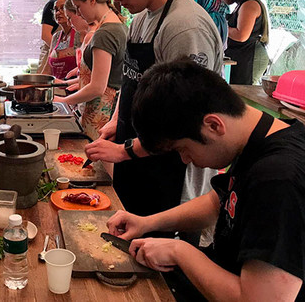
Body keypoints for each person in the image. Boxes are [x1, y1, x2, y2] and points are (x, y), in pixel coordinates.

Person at [107, 60, 305, 301]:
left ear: (213, 125)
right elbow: (219, 202)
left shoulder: (278, 179)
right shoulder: (258, 137)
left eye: (183, 149)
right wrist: (147, 223)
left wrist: (179, 251)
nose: (184, 159)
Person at [85, 0, 224, 221]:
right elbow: (130, 78)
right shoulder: (141, 19)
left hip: (173, 167)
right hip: (138, 156)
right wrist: (116, 122)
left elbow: (184, 118)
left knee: (162, 255)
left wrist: (125, 151)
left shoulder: (184, 26)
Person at [54, 0, 127, 152]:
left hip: (101, 111)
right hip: (107, 109)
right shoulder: (119, 26)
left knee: (95, 164)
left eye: (79, 7)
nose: (78, 14)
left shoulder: (105, 33)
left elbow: (97, 87)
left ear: (92, 0)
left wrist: (63, 101)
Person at [220, 0, 270, 84]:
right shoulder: (242, 4)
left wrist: (222, 27)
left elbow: (241, 35)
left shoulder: (249, 4)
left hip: (250, 56)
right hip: (243, 54)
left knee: (245, 92)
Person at [57, 0, 95, 93]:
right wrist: (63, 83)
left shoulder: (93, 36)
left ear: (79, 13)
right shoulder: (87, 35)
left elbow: (98, 82)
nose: (69, 23)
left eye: (69, 18)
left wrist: (63, 99)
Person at [39, 0, 81, 79]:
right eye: (56, 10)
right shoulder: (55, 37)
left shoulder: (79, 34)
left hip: (73, 88)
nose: (58, 12)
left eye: (62, 8)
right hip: (55, 87)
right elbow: (48, 70)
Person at [37, 0, 60, 72]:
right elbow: (45, 35)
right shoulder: (52, 4)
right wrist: (58, 53)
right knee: (44, 80)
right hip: (49, 50)